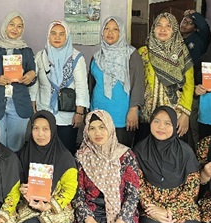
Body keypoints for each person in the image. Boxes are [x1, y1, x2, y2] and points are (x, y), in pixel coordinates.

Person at [72, 110, 143, 223]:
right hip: (92, 212)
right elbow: (77, 195)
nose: (97, 133)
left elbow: (133, 194)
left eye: (102, 127)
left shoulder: (125, 155)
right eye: (92, 128)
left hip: (120, 212)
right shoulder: (81, 156)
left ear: (110, 128)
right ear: (86, 131)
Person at [133, 106, 203, 223]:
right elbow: (138, 185)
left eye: (167, 123)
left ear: (174, 126)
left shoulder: (185, 152)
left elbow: (192, 188)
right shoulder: (140, 150)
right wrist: (152, 209)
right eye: (157, 121)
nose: (161, 127)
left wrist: (170, 210)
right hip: (152, 207)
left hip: (182, 207)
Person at [16, 111, 77, 223]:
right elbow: (17, 182)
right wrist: (23, 189)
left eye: (45, 129)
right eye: (36, 128)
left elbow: (69, 189)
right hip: (31, 206)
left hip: (56, 208)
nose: (40, 134)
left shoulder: (64, 157)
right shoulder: (25, 153)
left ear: (53, 130)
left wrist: (49, 206)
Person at [0, 11, 36, 152]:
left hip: (19, 104)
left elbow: (32, 74)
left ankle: (14, 167)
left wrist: (31, 76)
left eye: (19, 26)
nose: (15, 29)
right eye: (12, 24)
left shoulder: (26, 50)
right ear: (5, 25)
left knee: (16, 146)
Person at [29, 20, 88, 154]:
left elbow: (81, 86)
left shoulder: (76, 57)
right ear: (48, 36)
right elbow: (34, 82)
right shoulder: (41, 56)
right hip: (44, 110)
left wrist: (79, 112)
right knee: (44, 151)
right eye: (53, 33)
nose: (57, 37)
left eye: (62, 34)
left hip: (68, 115)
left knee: (65, 151)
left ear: (67, 36)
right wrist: (33, 103)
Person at [137, 12, 194, 144]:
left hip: (174, 115)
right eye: (159, 25)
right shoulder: (143, 52)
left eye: (168, 26)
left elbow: (189, 85)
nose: (163, 29)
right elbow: (136, 83)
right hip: (147, 114)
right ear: (153, 28)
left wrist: (185, 114)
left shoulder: (182, 53)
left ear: (174, 30)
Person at [89, 16, 144, 147]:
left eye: (115, 29)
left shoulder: (131, 55)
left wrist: (134, 109)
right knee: (99, 151)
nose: (110, 33)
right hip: (98, 111)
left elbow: (138, 83)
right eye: (106, 28)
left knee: (120, 153)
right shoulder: (97, 57)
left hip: (122, 114)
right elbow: (90, 85)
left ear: (121, 32)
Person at [180, 9, 211, 149]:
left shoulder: (199, 39)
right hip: (179, 88)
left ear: (195, 27)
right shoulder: (177, 40)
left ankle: (195, 155)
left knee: (192, 126)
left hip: (195, 88)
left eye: (190, 23)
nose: (185, 24)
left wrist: (193, 14)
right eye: (184, 21)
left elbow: (204, 26)